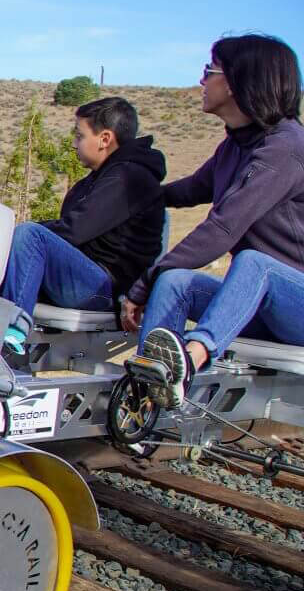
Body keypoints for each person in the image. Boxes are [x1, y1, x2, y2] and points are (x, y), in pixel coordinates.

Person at [123, 34, 304, 408]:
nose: (202, 80)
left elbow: (224, 227)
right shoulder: (235, 146)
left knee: (255, 264)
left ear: (240, 81)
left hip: (294, 306)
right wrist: (122, 189)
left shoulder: (286, 147)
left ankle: (190, 359)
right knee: (175, 281)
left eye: (210, 70)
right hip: (258, 305)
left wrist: (142, 284)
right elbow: (189, 190)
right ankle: (148, 403)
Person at [0, 97, 166, 354]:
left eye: (79, 135)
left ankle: (10, 332)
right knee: (7, 248)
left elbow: (74, 230)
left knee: (29, 235)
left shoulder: (128, 178)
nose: (74, 143)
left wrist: (15, 232)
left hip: (106, 290)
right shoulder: (95, 181)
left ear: (105, 139)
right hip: (85, 278)